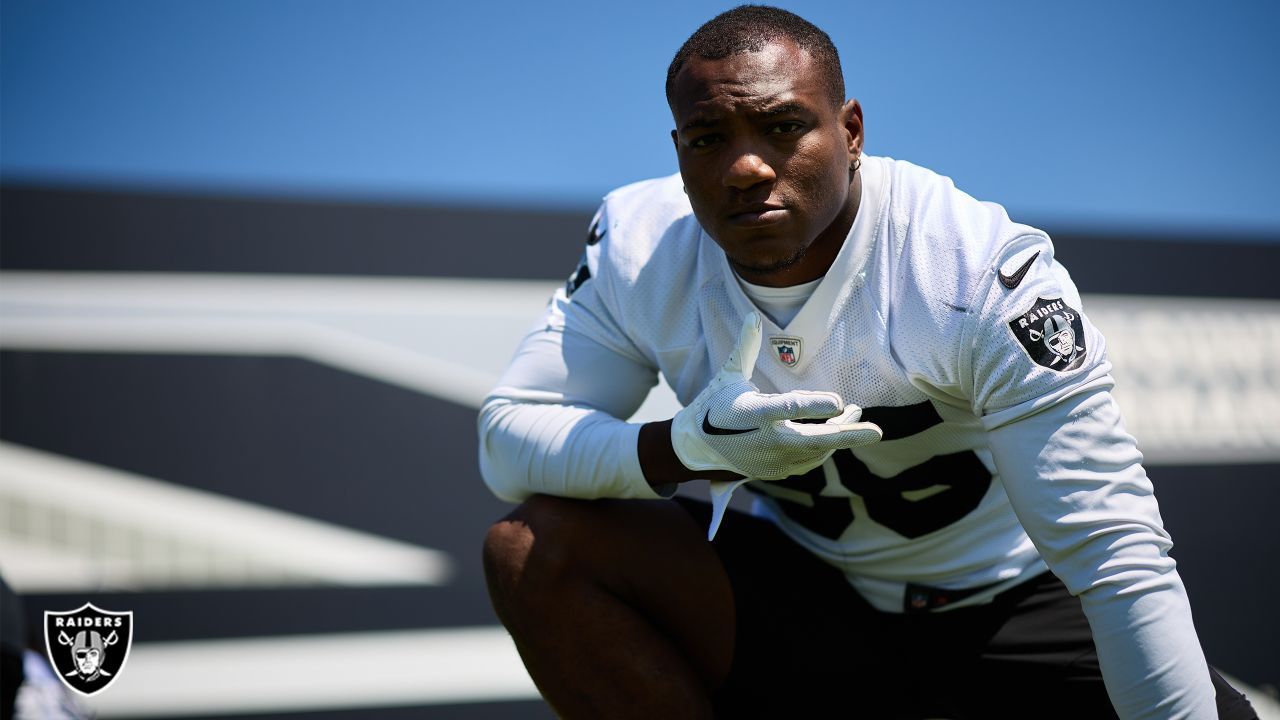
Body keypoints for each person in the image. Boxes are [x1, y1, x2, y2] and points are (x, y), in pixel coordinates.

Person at [478, 6, 1259, 719]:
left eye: (783, 126)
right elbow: (506, 441)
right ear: (679, 151)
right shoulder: (641, 246)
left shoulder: (970, 271)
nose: (745, 167)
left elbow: (1114, 556)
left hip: (1014, 601)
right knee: (533, 547)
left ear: (851, 130)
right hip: (817, 598)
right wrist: (686, 448)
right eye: (710, 137)